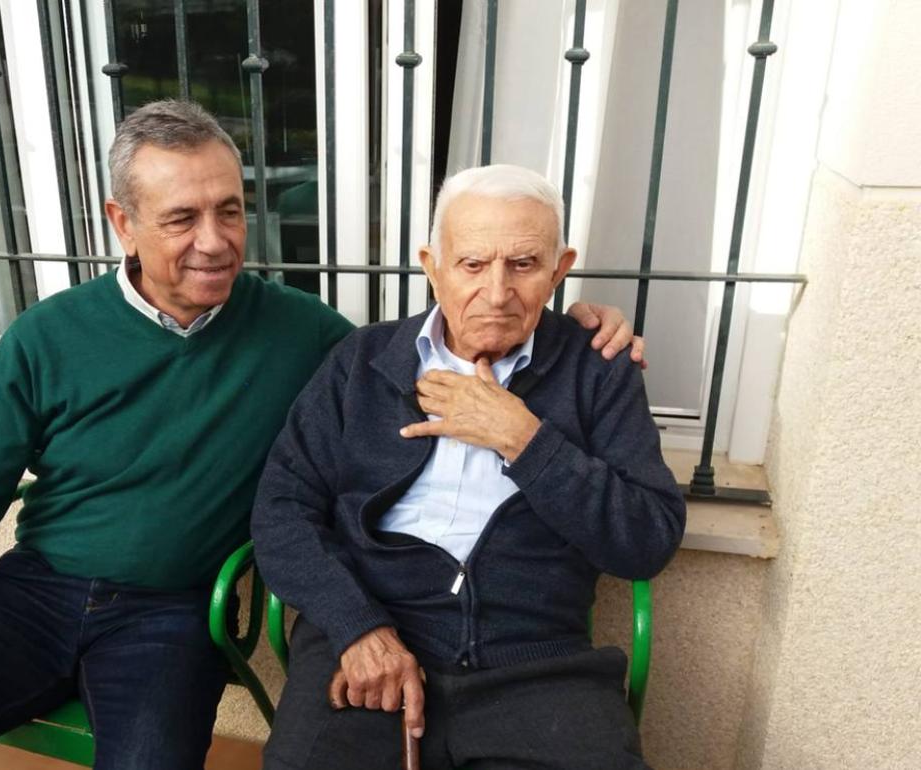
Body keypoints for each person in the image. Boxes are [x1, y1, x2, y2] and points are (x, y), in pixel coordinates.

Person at [0, 103, 642, 770]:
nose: (215, 241)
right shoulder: (47, 338)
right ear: (121, 223)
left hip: (170, 616)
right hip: (33, 591)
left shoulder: (309, 337)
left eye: (230, 210)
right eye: (182, 217)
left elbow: (467, 326)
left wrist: (575, 334)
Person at [252, 164, 685, 770]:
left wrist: (522, 436)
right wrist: (355, 626)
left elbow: (647, 541)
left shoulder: (596, 369)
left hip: (538, 663)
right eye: (473, 265)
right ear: (432, 265)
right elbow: (281, 509)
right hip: (375, 645)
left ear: (560, 269)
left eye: (525, 265)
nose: (499, 291)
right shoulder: (363, 362)